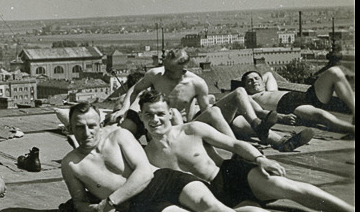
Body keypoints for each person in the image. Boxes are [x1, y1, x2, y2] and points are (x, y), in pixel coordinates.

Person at [61, 102, 286, 212]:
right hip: (140, 206)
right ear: (70, 128)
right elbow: (79, 202)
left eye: (91, 125)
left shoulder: (119, 136)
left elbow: (143, 173)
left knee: (210, 206)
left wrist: (110, 202)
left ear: (100, 123)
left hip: (163, 180)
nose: (87, 132)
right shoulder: (71, 164)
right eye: (79, 127)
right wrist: (96, 210)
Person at [139, 89, 354, 212]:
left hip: (231, 175)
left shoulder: (191, 129)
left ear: (169, 113)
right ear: (141, 117)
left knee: (283, 186)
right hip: (218, 200)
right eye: (148, 115)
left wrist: (260, 159)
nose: (155, 120)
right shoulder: (145, 156)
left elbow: (234, 145)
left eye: (159, 113)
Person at [108, 49, 307, 151]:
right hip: (162, 125)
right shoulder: (155, 75)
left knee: (236, 96)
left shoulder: (197, 83)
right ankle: (256, 138)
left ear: (184, 69)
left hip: (187, 124)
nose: (166, 73)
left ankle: (277, 140)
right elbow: (135, 88)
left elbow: (205, 113)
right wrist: (123, 108)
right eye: (165, 67)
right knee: (219, 115)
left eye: (171, 70)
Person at [242, 69, 355, 137]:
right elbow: (260, 112)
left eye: (256, 78)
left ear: (262, 80)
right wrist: (282, 117)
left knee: (334, 72)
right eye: (249, 81)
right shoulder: (250, 97)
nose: (254, 82)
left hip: (306, 95)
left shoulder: (271, 88)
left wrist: (256, 78)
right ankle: (351, 129)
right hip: (289, 105)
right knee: (320, 116)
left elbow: (268, 74)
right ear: (245, 86)